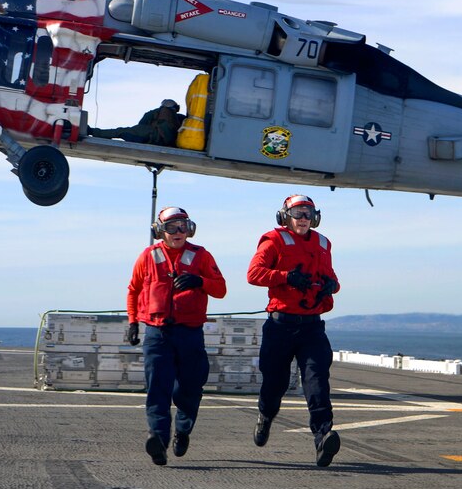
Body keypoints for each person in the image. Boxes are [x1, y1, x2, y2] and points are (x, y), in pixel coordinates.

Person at [126, 206, 227, 466]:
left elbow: (221, 289)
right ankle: (158, 440)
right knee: (157, 389)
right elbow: (134, 290)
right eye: (172, 227)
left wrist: (199, 281)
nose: (178, 232)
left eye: (183, 226)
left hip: (190, 334)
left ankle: (183, 429)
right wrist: (133, 322)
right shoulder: (147, 257)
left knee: (189, 388)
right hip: (157, 334)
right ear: (160, 231)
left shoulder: (201, 256)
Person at [247, 194, 342, 467]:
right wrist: (286, 276)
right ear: (285, 216)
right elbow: (254, 274)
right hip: (280, 326)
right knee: (274, 384)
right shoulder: (273, 240)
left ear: (315, 217)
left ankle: (323, 437)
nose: (303, 219)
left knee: (317, 380)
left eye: (308, 213)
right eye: (298, 213)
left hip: (312, 326)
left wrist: (331, 286)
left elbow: (333, 278)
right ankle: (265, 417)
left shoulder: (324, 243)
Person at [89, 99, 185, 146]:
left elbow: (141, 125)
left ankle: (93, 132)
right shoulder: (180, 118)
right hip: (170, 142)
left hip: (153, 135)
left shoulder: (155, 112)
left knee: (121, 131)